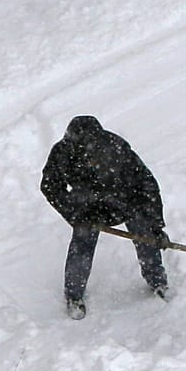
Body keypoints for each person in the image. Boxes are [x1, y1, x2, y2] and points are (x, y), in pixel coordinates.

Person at [40, 115, 170, 320]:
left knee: (145, 234)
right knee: (82, 241)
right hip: (88, 209)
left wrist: (156, 226)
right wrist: (74, 214)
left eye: (92, 148)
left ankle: (157, 281)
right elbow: (50, 187)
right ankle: (74, 295)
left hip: (125, 201)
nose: (88, 155)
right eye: (81, 149)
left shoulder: (117, 150)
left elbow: (147, 185)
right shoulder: (62, 153)